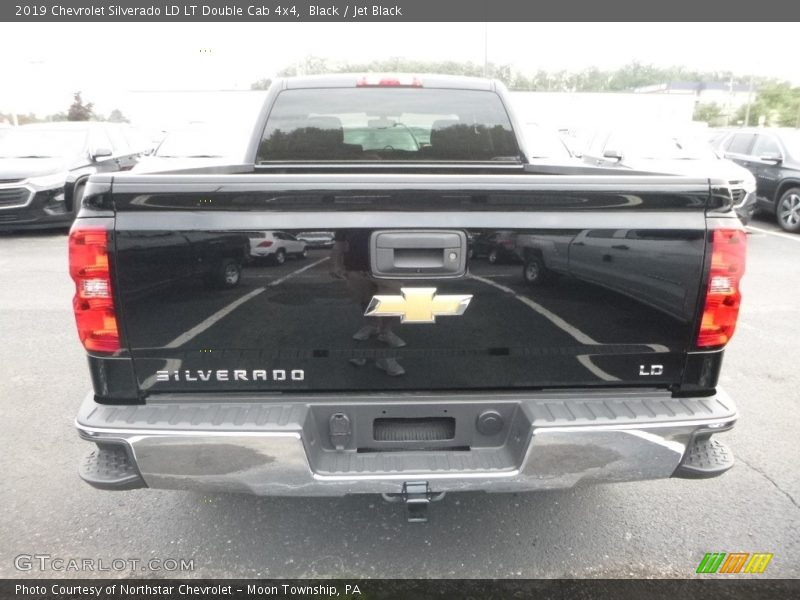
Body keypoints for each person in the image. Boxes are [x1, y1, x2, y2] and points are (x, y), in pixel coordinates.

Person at [330, 229, 406, 376]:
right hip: (356, 269)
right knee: (364, 301)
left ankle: (385, 337)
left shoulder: (391, 214)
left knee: (388, 306)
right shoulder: (348, 218)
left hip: (388, 270)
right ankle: (372, 327)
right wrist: (335, 264)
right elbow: (339, 244)